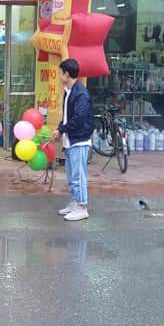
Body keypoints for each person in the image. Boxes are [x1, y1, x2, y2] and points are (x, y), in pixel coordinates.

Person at [52, 58, 95, 221]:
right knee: (71, 175)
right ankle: (75, 202)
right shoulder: (69, 91)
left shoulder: (81, 94)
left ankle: (82, 206)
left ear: (67, 74)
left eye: (60, 73)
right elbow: (67, 116)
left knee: (78, 176)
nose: (59, 76)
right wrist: (60, 129)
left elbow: (78, 118)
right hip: (71, 140)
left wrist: (61, 130)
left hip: (79, 140)